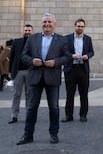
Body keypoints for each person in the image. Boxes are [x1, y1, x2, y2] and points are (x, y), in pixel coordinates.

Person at [16, 13, 72, 145]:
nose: (47, 24)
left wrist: (56, 62)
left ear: (54, 24)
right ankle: (28, 135)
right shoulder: (32, 38)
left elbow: (67, 56)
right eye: (44, 22)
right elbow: (23, 55)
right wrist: (31, 61)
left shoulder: (62, 40)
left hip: (52, 78)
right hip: (35, 77)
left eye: (49, 22)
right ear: (41, 24)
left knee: (54, 108)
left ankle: (54, 134)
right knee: (31, 108)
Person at [62, 18, 95, 123]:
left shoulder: (88, 39)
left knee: (84, 94)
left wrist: (87, 56)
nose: (80, 28)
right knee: (69, 94)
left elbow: (91, 52)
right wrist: (72, 56)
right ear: (74, 26)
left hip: (83, 69)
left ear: (84, 27)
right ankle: (68, 115)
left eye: (82, 26)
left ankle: (83, 115)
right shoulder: (67, 38)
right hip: (70, 69)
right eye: (78, 26)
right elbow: (64, 52)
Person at [8, 24, 34, 124]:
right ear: (23, 31)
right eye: (26, 30)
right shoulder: (16, 41)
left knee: (29, 95)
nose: (27, 32)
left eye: (29, 30)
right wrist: (10, 72)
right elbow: (12, 57)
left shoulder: (34, 42)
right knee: (16, 95)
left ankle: (29, 115)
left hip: (30, 72)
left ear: (32, 31)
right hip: (18, 72)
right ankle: (14, 116)